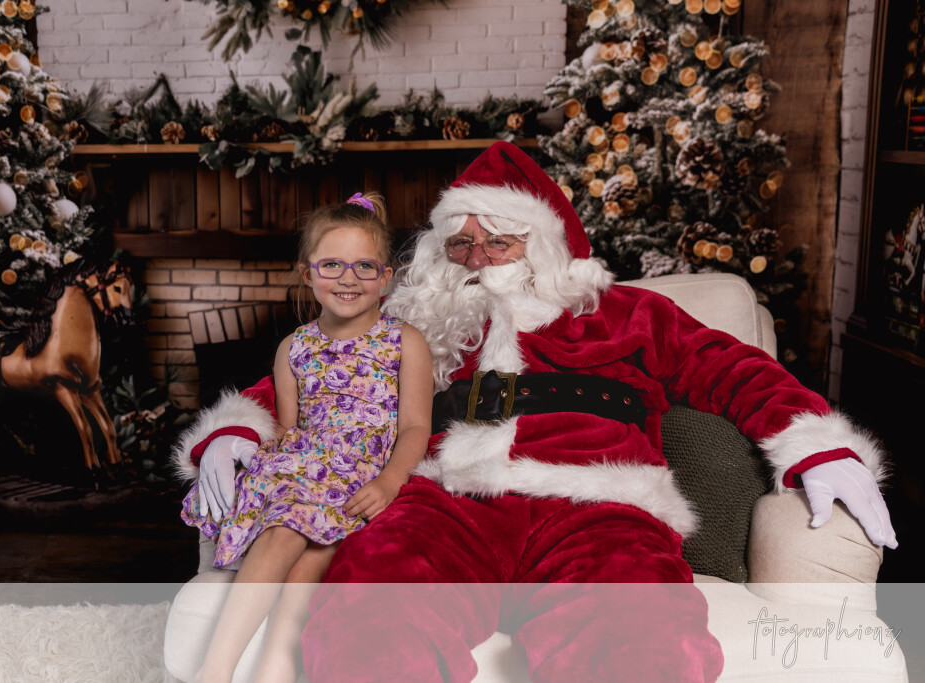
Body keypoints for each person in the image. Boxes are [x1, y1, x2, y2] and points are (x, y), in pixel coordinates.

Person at [176, 143, 896, 682]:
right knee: (370, 612)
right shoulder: (411, 323)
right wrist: (236, 429)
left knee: (641, 638)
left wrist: (816, 445)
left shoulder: (626, 311)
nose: (478, 257)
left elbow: (733, 368)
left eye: (500, 239)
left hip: (598, 506)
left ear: (544, 243)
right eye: (461, 242)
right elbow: (317, 375)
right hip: (443, 503)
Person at [177, 191, 433, 683]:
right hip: (304, 470)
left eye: (364, 266)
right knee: (290, 522)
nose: (348, 279)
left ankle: (270, 663)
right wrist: (246, 447)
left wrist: (391, 481)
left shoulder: (405, 341)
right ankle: (220, 668)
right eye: (332, 265)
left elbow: (416, 426)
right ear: (307, 273)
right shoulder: (293, 347)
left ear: (385, 277)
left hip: (362, 474)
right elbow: (290, 430)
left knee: (314, 551)